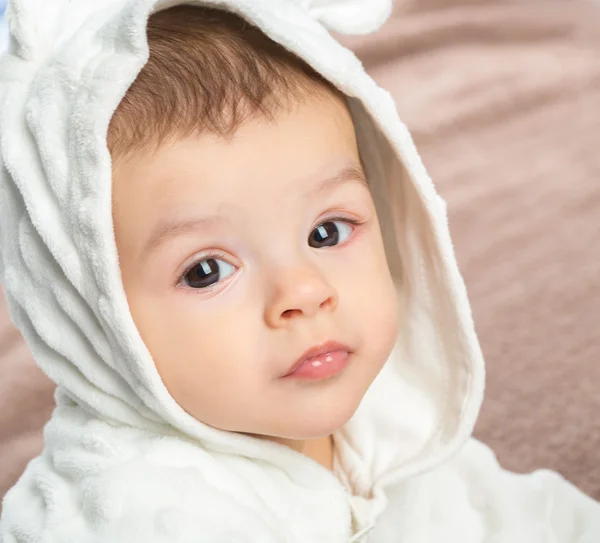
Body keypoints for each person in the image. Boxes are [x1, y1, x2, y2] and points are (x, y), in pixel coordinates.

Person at [0, 1, 598, 541]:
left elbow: (525, 520)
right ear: (87, 319)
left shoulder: (391, 421)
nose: (304, 293)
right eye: (207, 270)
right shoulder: (137, 512)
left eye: (326, 232)